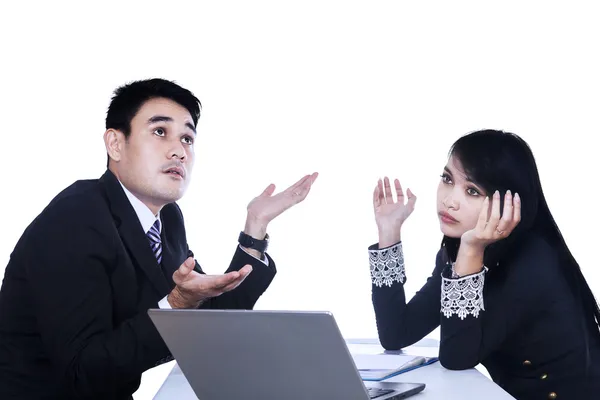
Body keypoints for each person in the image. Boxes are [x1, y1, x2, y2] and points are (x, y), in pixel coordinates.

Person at [0, 78, 318, 400]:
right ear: (115, 144)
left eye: (187, 138)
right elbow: (84, 372)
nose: (179, 150)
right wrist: (177, 304)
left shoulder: (166, 218)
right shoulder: (75, 219)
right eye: (159, 132)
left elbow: (212, 319)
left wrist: (255, 228)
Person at [368, 129, 600, 399]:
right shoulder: (460, 249)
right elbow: (396, 333)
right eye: (447, 179)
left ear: (509, 203)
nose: (449, 200)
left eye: (472, 191)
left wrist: (470, 251)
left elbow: (456, 358)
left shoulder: (534, 261)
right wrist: (389, 232)